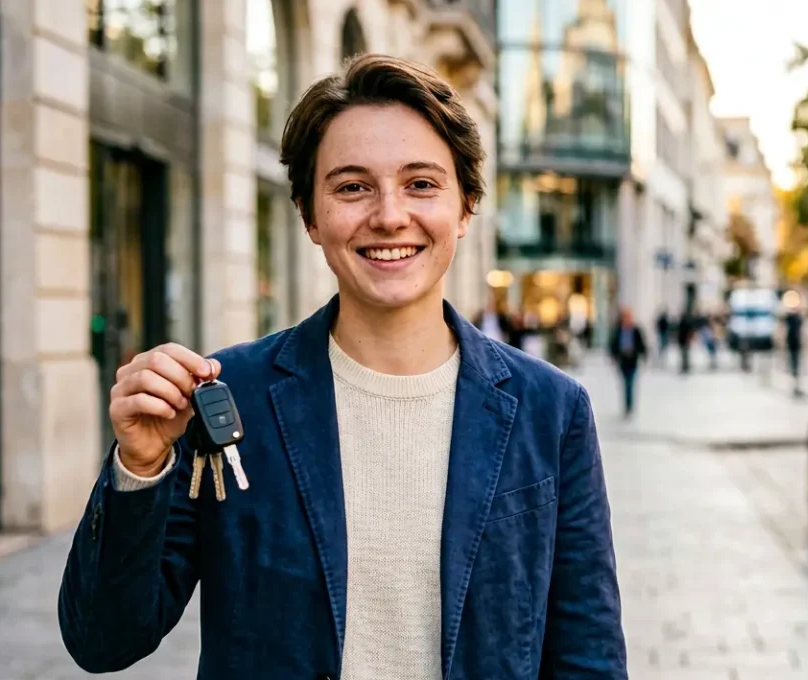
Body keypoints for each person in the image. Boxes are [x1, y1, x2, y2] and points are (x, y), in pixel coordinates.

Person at [58, 55, 627, 680]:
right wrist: (141, 467)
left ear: (466, 207)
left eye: (421, 184)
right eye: (352, 187)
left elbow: (587, 657)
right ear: (310, 215)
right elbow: (103, 641)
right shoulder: (229, 396)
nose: (389, 215)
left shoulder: (551, 410)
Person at [608, 307, 647, 417]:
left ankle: (629, 406)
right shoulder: (618, 330)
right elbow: (613, 345)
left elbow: (642, 345)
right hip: (623, 361)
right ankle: (627, 405)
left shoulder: (636, 330)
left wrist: (643, 355)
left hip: (633, 360)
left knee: (630, 383)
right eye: (626, 317)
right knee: (625, 384)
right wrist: (614, 356)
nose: (627, 319)